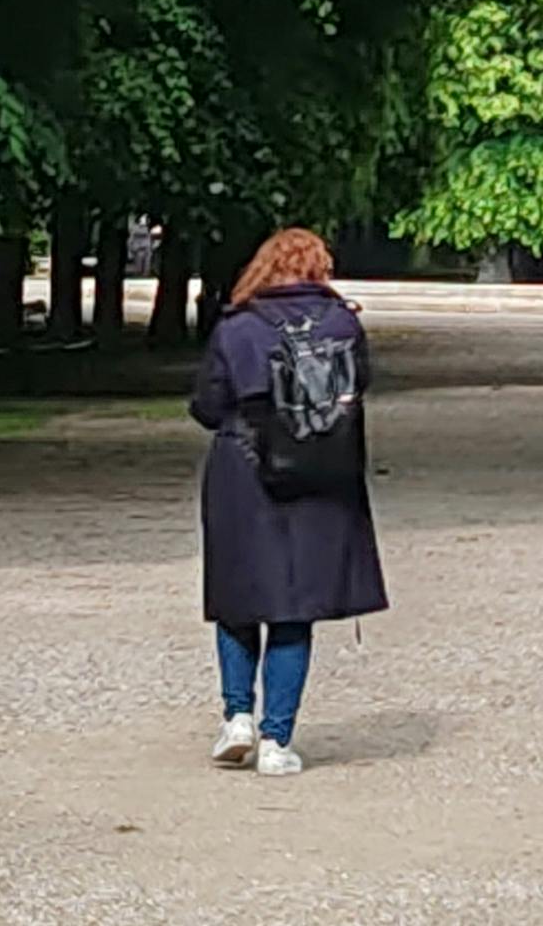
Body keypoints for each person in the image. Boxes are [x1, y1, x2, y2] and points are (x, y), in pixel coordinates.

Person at [189, 227, 385, 777]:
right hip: (320, 473)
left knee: (236, 595)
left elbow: (208, 405)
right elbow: (358, 386)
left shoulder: (239, 327)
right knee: (296, 607)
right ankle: (277, 740)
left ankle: (238, 715)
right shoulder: (344, 322)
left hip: (242, 467)